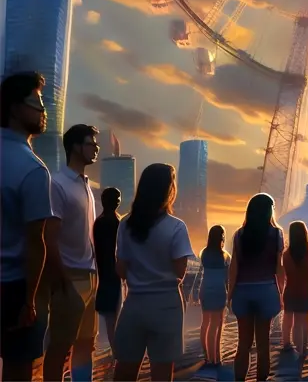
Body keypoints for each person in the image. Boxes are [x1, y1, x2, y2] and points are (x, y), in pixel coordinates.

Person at [113, 163, 194, 382]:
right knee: (161, 373)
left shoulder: (126, 224)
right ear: (169, 190)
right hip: (166, 305)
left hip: (134, 304)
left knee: (125, 370)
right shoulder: (176, 227)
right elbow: (180, 272)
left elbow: (120, 270)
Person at [0, 72, 54, 382]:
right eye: (36, 102)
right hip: (12, 287)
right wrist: (30, 301)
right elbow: (36, 242)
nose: (43, 110)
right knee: (18, 370)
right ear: (14, 107)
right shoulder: (33, 169)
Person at [42, 123, 100, 382]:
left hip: (90, 276)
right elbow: (49, 236)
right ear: (75, 147)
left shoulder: (85, 185)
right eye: (90, 143)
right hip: (70, 278)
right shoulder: (58, 183)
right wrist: (62, 279)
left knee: (86, 344)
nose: (95, 147)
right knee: (60, 347)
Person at [228, 193, 284, 381]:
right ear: (269, 211)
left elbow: (234, 267)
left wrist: (230, 294)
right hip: (266, 290)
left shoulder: (239, 235)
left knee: (243, 343)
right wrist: (281, 293)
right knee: (263, 344)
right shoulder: (276, 234)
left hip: (243, 291)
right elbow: (279, 268)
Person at [93, 187, 123, 357]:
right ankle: (117, 353)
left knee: (112, 319)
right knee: (114, 319)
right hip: (113, 275)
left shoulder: (100, 221)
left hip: (106, 275)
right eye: (116, 198)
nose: (118, 201)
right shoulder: (115, 222)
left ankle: (116, 352)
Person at [281, 221, 308, 356]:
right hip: (304, 290)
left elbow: (285, 273)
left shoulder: (286, 254)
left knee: (288, 318)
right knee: (302, 320)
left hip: (290, 289)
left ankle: (286, 343)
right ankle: (302, 347)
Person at [199, 225, 230, 368]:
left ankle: (207, 356)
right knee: (217, 324)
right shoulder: (225, 256)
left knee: (205, 323)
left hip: (205, 289)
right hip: (219, 290)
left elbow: (201, 273)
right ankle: (216, 357)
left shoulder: (203, 253)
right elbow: (227, 278)